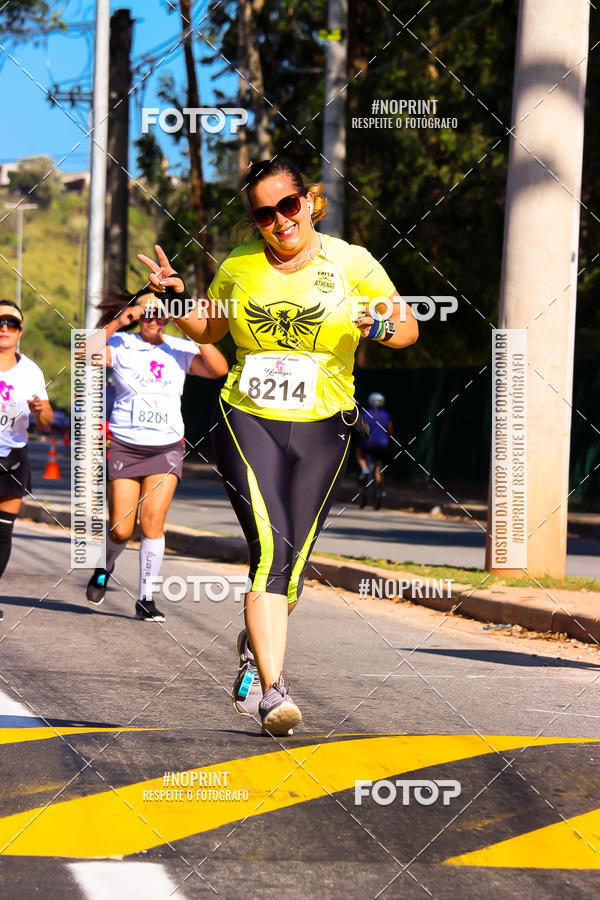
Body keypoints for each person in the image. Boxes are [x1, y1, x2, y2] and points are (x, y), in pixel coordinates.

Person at [138, 156, 418, 734]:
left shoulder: (353, 263)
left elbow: (408, 326)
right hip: (249, 418)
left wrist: (381, 327)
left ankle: (253, 643)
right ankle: (273, 693)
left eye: (287, 206)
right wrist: (174, 299)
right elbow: (210, 329)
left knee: (289, 572)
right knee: (267, 549)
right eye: (263, 214)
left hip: (326, 425)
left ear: (309, 201)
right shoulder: (240, 265)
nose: (278, 221)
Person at [85, 291, 228, 620]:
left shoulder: (178, 347)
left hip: (166, 447)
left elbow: (218, 368)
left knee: (153, 523)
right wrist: (120, 321)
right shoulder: (121, 344)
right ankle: (105, 567)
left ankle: (145, 598)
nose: (154, 317)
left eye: (162, 312)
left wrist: (191, 327)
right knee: (121, 529)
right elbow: (84, 354)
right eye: (147, 311)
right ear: (136, 312)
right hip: (125, 444)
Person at [0, 300, 53, 621]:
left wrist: (39, 412)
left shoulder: (31, 370)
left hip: (12, 457)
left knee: (3, 532)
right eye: (0, 321)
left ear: (20, 332)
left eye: (12, 323)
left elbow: (46, 422)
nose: (4, 328)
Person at [357, 392, 393, 507]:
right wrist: (387, 439)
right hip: (382, 445)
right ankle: (379, 489)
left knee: (359, 452)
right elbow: (390, 430)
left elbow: (360, 428)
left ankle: (365, 469)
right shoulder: (386, 414)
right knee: (378, 466)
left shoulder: (364, 413)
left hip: (368, 444)